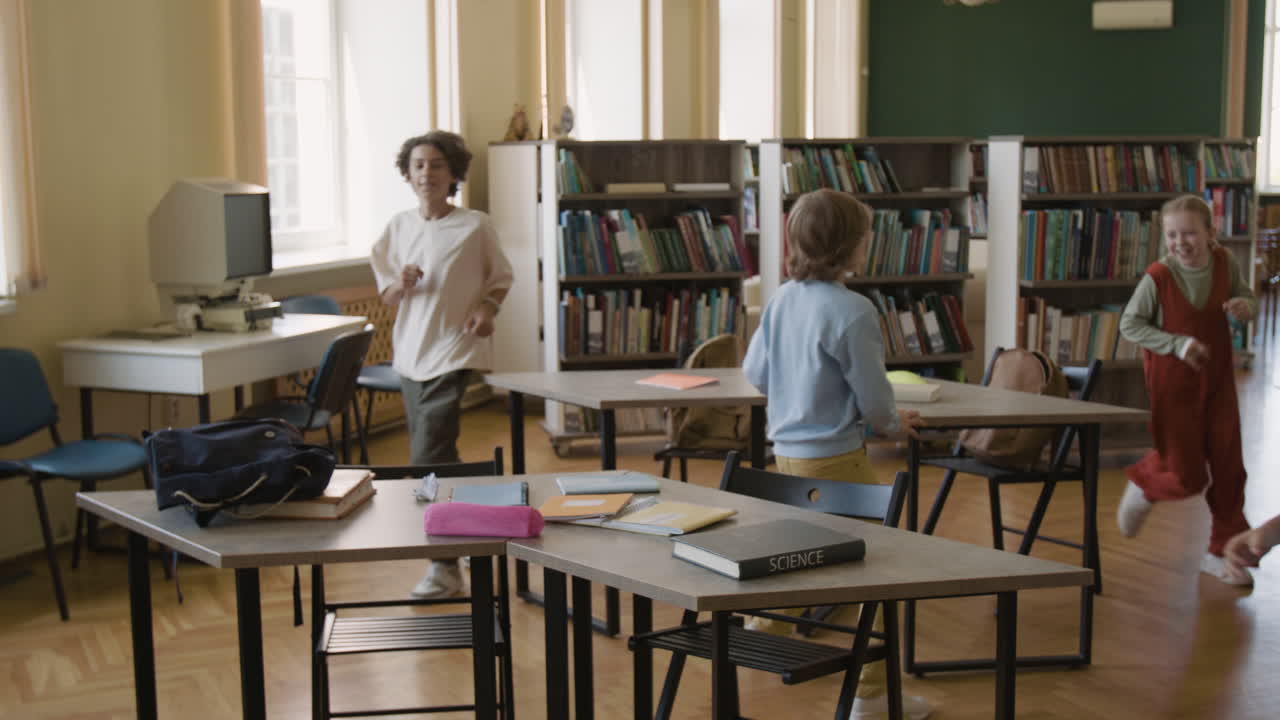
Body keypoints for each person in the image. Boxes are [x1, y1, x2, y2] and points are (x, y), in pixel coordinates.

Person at [742, 189, 929, 720]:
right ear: (851, 246)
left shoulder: (782, 300)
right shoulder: (854, 311)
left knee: (806, 551)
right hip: (837, 458)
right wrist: (893, 424)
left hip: (786, 455)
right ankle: (871, 695)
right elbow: (875, 399)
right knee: (879, 568)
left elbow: (756, 374)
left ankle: (765, 624)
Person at [370, 130, 513, 598]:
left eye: (436, 165)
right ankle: (475, 524)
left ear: (453, 174)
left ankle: (444, 567)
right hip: (410, 353)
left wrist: (487, 310)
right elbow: (388, 295)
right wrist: (402, 282)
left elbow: (501, 278)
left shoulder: (474, 226)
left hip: (454, 350)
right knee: (440, 455)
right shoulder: (397, 227)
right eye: (418, 165)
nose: (426, 173)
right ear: (407, 174)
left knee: (427, 457)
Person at [1115, 194, 1255, 586]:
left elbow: (1247, 297)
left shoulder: (1225, 263)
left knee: (1229, 467)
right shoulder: (1158, 277)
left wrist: (1246, 307)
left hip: (1218, 381)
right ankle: (1146, 481)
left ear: (1210, 233)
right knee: (1187, 475)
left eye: (1189, 233)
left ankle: (1224, 552)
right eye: (1172, 235)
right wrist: (1177, 344)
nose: (1180, 242)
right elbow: (1130, 325)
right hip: (1173, 386)